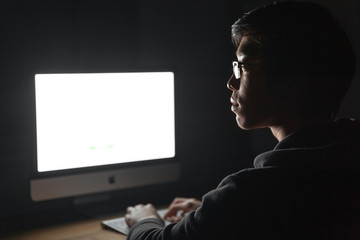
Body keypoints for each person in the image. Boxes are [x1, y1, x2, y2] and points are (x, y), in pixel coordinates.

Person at [125, 1, 360, 239]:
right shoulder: (346, 159)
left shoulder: (252, 192)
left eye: (243, 66)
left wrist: (144, 219)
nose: (231, 82)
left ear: (294, 81)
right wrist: (211, 216)